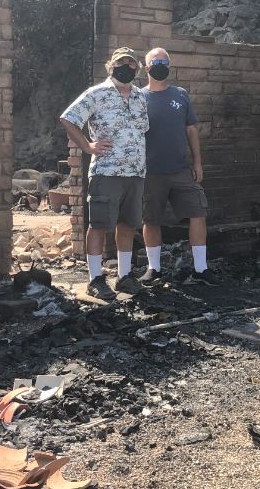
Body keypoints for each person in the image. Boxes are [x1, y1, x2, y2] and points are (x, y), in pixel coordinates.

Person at [59, 46, 149, 300]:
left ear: (137, 69)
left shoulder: (140, 97)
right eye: (122, 63)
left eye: (132, 64)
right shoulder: (96, 94)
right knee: (98, 225)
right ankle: (96, 279)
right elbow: (68, 119)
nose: (127, 68)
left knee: (127, 225)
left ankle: (124, 276)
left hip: (135, 172)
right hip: (106, 171)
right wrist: (87, 146)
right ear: (110, 65)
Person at [139, 47, 216, 286]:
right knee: (151, 219)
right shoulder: (137, 98)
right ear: (146, 67)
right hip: (149, 172)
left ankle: (201, 269)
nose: (160, 64)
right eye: (155, 61)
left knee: (198, 213)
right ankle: (154, 268)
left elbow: (191, 130)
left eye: (164, 61)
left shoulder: (180, 95)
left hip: (181, 169)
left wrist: (197, 162)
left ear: (170, 65)